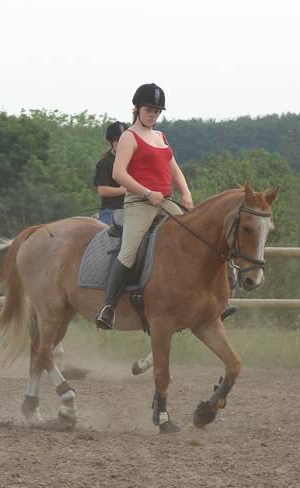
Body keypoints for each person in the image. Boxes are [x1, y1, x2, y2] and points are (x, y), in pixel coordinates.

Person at [95, 83, 236, 330]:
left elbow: (173, 167)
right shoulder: (129, 136)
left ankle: (215, 303)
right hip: (140, 203)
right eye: (149, 110)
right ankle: (109, 306)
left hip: (166, 202)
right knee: (129, 251)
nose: (153, 115)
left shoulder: (160, 137)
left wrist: (186, 192)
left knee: (200, 240)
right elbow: (118, 173)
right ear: (137, 108)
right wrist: (147, 193)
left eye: (157, 111)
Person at [94, 121, 129, 225]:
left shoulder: (134, 161)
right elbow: (103, 190)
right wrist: (125, 190)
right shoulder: (104, 163)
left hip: (132, 209)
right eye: (119, 141)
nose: (123, 145)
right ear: (110, 142)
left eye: (126, 141)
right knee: (110, 237)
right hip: (111, 211)